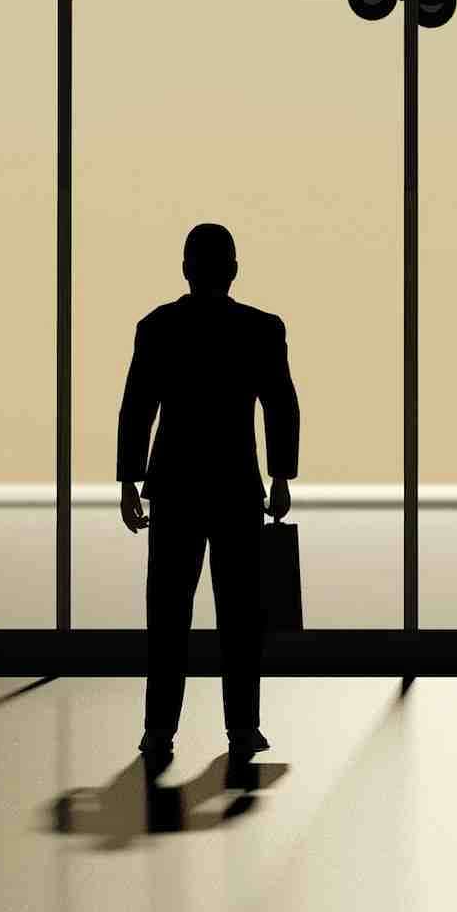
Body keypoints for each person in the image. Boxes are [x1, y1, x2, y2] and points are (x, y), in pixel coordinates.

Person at [116, 221, 299, 773]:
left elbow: (137, 407)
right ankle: (242, 728)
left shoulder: (157, 327)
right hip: (236, 484)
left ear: (185, 269)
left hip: (174, 484)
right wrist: (280, 476)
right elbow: (281, 405)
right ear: (234, 269)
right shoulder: (261, 329)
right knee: (241, 613)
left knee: (167, 612)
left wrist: (128, 480)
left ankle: (157, 731)